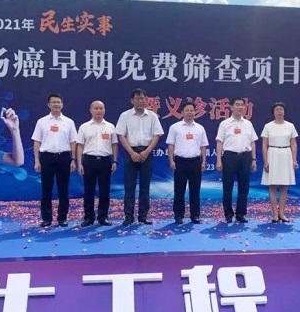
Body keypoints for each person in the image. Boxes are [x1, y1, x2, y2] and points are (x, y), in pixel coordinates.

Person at [116, 88, 164, 226]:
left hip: (146, 152)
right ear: (132, 100)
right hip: (130, 152)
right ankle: (128, 216)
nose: (140, 101)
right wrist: (132, 153)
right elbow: (121, 135)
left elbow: (157, 135)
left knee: (145, 186)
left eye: (142, 98)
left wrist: (147, 151)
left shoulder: (152, 116)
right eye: (137, 98)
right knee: (129, 186)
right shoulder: (125, 115)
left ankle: (143, 216)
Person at [31, 94, 77, 227]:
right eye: (53, 102)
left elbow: (73, 142)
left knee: (63, 189)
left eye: (58, 102)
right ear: (48, 105)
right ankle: (46, 218)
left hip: (64, 157)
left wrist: (73, 159)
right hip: (47, 158)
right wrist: (37, 160)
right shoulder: (42, 122)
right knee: (46, 189)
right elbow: (37, 142)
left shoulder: (69, 122)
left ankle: (62, 217)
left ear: (62, 104)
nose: (56, 104)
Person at [76, 101, 119, 227]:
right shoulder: (84, 127)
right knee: (88, 190)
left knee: (104, 191)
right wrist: (80, 163)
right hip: (89, 161)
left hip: (105, 161)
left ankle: (103, 217)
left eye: (101, 108)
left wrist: (115, 161)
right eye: (96, 108)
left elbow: (114, 145)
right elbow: (80, 146)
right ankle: (88, 217)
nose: (99, 111)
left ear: (104, 110)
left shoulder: (110, 126)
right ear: (91, 110)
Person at [216, 97, 258, 223]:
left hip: (245, 157)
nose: (240, 107)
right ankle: (228, 214)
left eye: (242, 105)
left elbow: (253, 142)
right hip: (229, 157)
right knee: (227, 187)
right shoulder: (225, 124)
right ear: (231, 107)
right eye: (237, 105)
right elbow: (219, 142)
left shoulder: (248, 124)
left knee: (244, 188)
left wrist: (254, 159)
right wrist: (219, 160)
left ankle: (241, 214)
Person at [166, 102, 209, 225]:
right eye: (187, 110)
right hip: (180, 162)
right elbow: (171, 145)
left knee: (195, 191)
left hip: (195, 162)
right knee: (179, 190)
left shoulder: (200, 128)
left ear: (195, 112)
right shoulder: (175, 127)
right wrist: (171, 161)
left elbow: (203, 146)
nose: (189, 112)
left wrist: (204, 161)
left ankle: (195, 216)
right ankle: (178, 215)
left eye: (192, 110)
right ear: (182, 112)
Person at [261, 102, 298, 223]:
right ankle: (274, 213)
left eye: (281, 109)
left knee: (284, 185)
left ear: (284, 111)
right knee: (272, 185)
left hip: (286, 154)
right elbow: (264, 145)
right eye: (276, 109)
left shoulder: (290, 126)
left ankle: (282, 212)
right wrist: (265, 161)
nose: (279, 111)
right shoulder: (268, 126)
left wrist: (294, 160)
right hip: (272, 154)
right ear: (273, 112)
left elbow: (293, 144)